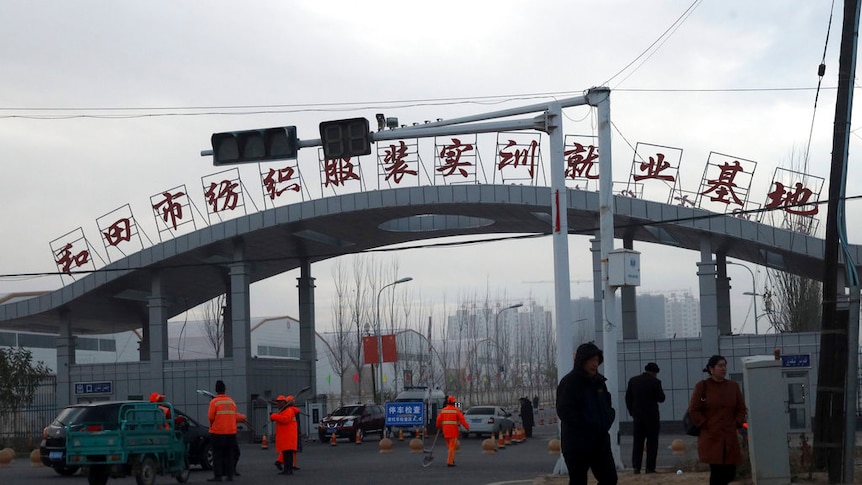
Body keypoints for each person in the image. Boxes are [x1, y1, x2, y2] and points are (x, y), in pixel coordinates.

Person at [556, 342, 617, 485]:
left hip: (600, 443)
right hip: (577, 444)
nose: (595, 364)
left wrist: (607, 420)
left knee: (610, 479)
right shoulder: (569, 382)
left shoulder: (600, 382)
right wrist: (586, 425)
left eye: (597, 360)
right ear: (582, 361)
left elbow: (607, 406)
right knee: (578, 481)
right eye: (591, 360)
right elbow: (564, 410)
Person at [688, 355, 747, 485]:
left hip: (730, 435)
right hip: (711, 436)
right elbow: (694, 409)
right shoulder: (703, 387)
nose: (723, 369)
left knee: (730, 471)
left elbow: (741, 408)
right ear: (711, 369)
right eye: (720, 366)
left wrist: (737, 422)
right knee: (717, 471)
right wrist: (705, 424)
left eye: (725, 366)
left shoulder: (733, 386)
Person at [625, 362, 666, 474]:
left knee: (638, 442)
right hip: (652, 417)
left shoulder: (633, 381)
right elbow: (661, 398)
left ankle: (636, 467)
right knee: (652, 443)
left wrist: (632, 412)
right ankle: (650, 468)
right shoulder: (656, 382)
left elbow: (628, 398)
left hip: (638, 417)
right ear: (655, 372)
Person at [207, 380, 245, 482]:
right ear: (225, 389)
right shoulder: (231, 401)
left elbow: (210, 417)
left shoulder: (214, 402)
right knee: (229, 454)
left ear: (216, 390)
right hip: (231, 432)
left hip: (217, 432)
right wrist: (243, 418)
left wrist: (212, 425)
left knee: (217, 455)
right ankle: (230, 475)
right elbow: (235, 416)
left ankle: (218, 476)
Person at [435, 395, 469, 467]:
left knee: (450, 447)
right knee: (452, 447)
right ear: (454, 402)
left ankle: (452, 460)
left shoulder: (443, 410)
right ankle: (450, 462)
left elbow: (438, 420)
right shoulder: (456, 411)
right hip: (453, 432)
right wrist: (467, 427)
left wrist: (438, 426)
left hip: (445, 432)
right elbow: (462, 420)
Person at [270, 395, 300, 476]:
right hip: (286, 436)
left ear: (284, 402)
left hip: (288, 436)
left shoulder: (288, 410)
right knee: (287, 454)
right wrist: (275, 416)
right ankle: (287, 469)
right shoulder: (285, 410)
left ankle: (288, 470)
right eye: (278, 402)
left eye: (280, 402)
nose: (278, 404)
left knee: (288, 454)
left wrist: (274, 416)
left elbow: (285, 419)